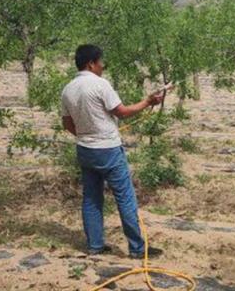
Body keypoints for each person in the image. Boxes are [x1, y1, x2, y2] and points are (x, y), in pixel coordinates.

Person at [60, 44, 165, 258]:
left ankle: (95, 246)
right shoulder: (100, 84)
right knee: (125, 198)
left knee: (91, 198)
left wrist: (85, 136)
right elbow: (122, 112)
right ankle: (137, 249)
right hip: (108, 150)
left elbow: (67, 123)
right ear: (91, 64)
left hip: (85, 150)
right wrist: (148, 101)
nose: (103, 65)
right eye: (100, 62)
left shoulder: (68, 89)